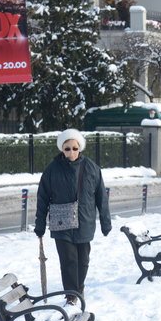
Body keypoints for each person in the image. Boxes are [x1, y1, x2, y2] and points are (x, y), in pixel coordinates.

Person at [34, 129, 111, 303]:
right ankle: (71, 295)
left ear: (80, 148)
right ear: (62, 149)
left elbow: (101, 197)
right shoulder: (52, 170)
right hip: (61, 223)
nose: (71, 152)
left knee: (83, 261)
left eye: (75, 148)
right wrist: (40, 225)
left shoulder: (92, 168)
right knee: (68, 261)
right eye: (67, 149)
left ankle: (79, 289)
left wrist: (105, 222)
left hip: (85, 221)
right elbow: (42, 198)